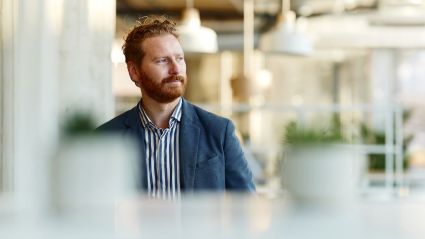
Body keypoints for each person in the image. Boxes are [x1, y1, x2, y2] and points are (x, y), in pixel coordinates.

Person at [97, 15, 255, 197]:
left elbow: (247, 205)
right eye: (162, 61)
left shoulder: (219, 131)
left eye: (179, 59)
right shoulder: (105, 138)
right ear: (135, 72)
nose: (176, 69)